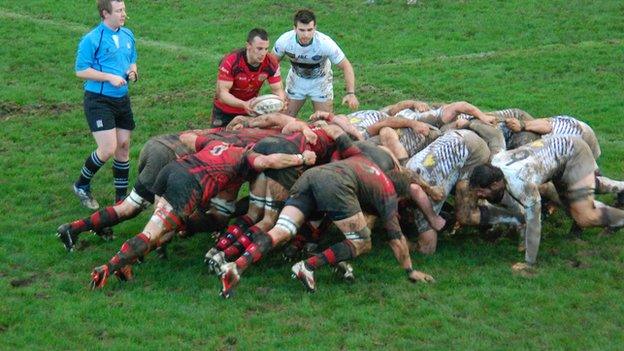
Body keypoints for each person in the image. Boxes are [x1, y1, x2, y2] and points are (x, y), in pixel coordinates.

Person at [218, 134, 439, 298]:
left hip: (312, 176)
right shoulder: (388, 192)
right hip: (335, 185)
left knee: (282, 230)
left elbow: (342, 138)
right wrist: (410, 270)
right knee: (362, 241)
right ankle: (308, 266)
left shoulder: (365, 159)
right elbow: (396, 239)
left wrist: (327, 121)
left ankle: (236, 266)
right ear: (400, 195)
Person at [89, 139, 317, 289]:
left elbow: (188, 139)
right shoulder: (246, 156)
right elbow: (267, 161)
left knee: (162, 230)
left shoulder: (218, 143)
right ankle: (107, 268)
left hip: (173, 168)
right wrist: (301, 159)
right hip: (187, 183)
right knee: (153, 233)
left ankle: (126, 263)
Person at [470, 136, 624, 272]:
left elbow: (534, 222)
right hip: (560, 153)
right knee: (578, 200)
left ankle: (620, 219)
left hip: (573, 154)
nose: (479, 195)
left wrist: (529, 263)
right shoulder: (496, 162)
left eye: (481, 191)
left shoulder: (521, 183)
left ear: (496, 183)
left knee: (584, 217)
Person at [73, 0, 138, 209]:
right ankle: (81, 185)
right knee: (108, 148)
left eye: (124, 10)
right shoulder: (92, 39)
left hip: (122, 99)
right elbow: (81, 70)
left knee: (124, 147)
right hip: (99, 100)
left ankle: (120, 200)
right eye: (119, 11)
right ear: (105, 14)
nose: (123, 14)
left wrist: (132, 71)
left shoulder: (128, 34)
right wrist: (109, 77)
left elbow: (131, 59)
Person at [273, 9, 359, 116]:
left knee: (323, 123)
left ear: (315, 28)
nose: (306, 35)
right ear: (294, 28)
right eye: (302, 30)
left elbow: (346, 66)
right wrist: (278, 90)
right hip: (296, 81)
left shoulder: (325, 43)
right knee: (284, 119)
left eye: (309, 30)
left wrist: (350, 93)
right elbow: (271, 64)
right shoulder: (284, 41)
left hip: (321, 83)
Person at [211, 28, 285, 128]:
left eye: (266, 49)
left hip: (250, 111)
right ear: (248, 46)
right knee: (218, 141)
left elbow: (278, 90)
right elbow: (222, 94)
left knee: (248, 141)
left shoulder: (271, 62)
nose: (263, 53)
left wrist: (280, 103)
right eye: (259, 48)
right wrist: (243, 104)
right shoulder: (231, 61)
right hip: (225, 111)